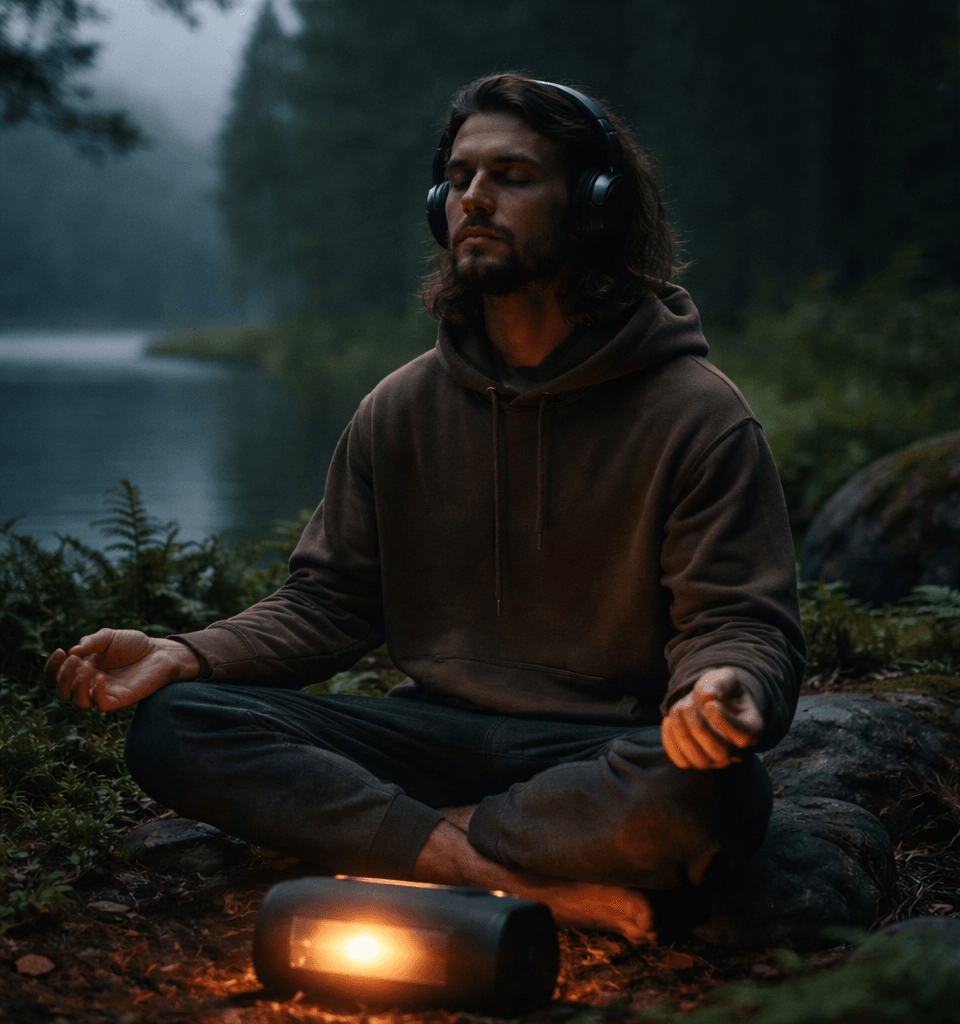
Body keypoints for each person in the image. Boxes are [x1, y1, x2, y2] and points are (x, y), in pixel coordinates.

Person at [45, 74, 805, 944]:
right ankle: (510, 878)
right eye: (460, 176)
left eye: (512, 176)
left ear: (595, 207)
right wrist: (183, 653)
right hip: (427, 732)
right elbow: (328, 605)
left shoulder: (697, 414)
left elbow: (742, 623)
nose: (473, 199)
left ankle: (394, 836)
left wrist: (726, 687)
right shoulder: (399, 407)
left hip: (591, 750)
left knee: (715, 792)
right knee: (177, 726)